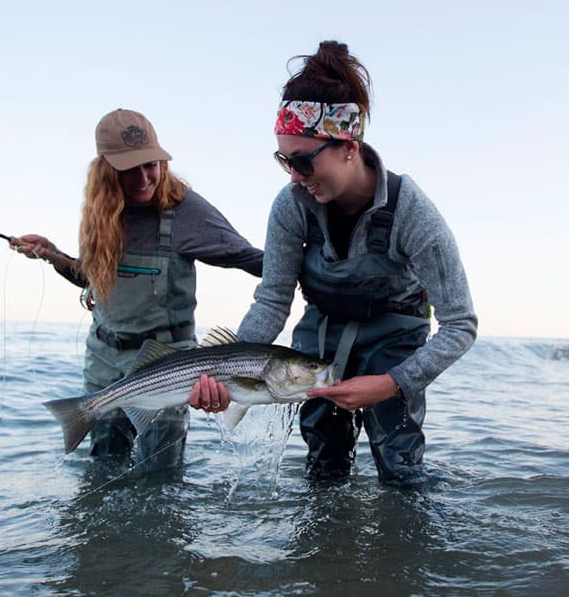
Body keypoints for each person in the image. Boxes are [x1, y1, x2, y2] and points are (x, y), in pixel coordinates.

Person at [190, 41, 477, 485]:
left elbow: (461, 325)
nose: (293, 177)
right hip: (319, 340)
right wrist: (228, 371)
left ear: (349, 145)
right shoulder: (291, 206)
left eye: (303, 161)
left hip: (395, 342)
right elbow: (271, 302)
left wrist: (392, 383)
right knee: (324, 466)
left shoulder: (413, 213)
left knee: (401, 468)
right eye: (284, 160)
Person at [13, 108, 262, 470]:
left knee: (160, 477)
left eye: (152, 163)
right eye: (130, 168)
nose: (145, 177)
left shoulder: (187, 210)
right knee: (103, 467)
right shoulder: (100, 214)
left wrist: (316, 271)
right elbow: (91, 278)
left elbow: (251, 259)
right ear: (106, 170)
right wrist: (52, 255)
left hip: (167, 363)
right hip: (103, 355)